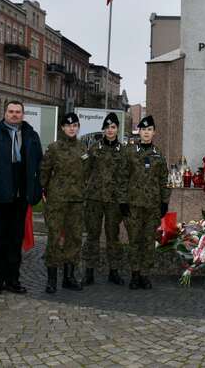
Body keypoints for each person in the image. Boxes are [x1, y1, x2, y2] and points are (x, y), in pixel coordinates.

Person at [0, 101, 43, 296]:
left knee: (15, 239)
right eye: (11, 111)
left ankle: (13, 279)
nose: (14, 115)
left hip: (21, 196)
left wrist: (36, 191)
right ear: (4, 113)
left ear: (23, 114)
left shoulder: (31, 136)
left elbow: (39, 166)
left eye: (18, 112)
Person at [40, 112, 88, 294]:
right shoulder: (53, 148)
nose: (71, 128)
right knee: (54, 238)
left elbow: (87, 172)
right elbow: (44, 171)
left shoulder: (83, 148)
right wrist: (44, 191)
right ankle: (51, 279)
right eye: (68, 125)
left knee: (74, 239)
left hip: (76, 201)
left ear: (77, 127)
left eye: (74, 125)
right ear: (62, 127)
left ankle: (69, 277)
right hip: (57, 201)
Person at [120, 116, 170, 289]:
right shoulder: (130, 153)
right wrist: (123, 202)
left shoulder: (159, 155)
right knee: (134, 240)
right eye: (144, 130)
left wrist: (164, 202)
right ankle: (134, 274)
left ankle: (144, 274)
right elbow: (123, 178)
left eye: (149, 130)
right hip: (133, 205)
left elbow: (164, 181)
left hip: (152, 207)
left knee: (148, 241)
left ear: (154, 132)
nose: (146, 133)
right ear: (139, 131)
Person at [83, 113, 127, 286]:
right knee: (92, 235)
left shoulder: (123, 151)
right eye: (108, 127)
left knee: (112, 236)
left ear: (117, 129)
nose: (110, 130)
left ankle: (113, 271)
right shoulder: (94, 148)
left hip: (113, 201)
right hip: (94, 199)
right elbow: (85, 171)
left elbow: (125, 176)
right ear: (104, 129)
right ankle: (89, 271)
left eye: (113, 127)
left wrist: (124, 200)